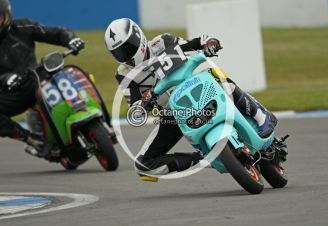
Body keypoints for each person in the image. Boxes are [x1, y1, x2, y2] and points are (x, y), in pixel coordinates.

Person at [104, 18, 277, 178]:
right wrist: (143, 104)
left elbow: (192, 44)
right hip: (174, 113)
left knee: (215, 75)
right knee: (143, 166)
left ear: (138, 37)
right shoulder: (123, 74)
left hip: (196, 88)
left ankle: (260, 115)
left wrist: (208, 43)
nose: (125, 56)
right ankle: (204, 159)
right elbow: (135, 106)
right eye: (118, 53)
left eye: (127, 48)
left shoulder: (162, 42)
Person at [0, 0, 85, 155]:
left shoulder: (23, 26)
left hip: (39, 77)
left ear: (7, 16)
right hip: (13, 92)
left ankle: (86, 110)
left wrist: (70, 38)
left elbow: (53, 32)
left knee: (66, 73)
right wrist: (4, 78)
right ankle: (31, 139)